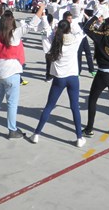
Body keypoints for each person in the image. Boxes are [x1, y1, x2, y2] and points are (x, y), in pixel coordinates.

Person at [0, 4, 44, 139]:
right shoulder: (15, 33)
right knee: (12, 103)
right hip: (11, 72)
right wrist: (41, 8)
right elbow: (32, 24)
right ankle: (12, 129)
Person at [28, 18, 86, 147]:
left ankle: (36, 134)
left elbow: (46, 30)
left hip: (59, 78)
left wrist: (44, 17)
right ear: (69, 29)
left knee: (49, 106)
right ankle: (79, 137)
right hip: (73, 78)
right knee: (74, 107)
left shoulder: (54, 41)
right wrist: (74, 21)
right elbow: (83, 30)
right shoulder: (75, 40)